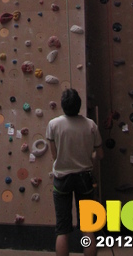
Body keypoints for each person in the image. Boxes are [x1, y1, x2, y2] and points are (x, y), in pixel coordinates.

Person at [46, 88, 104, 256]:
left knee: (62, 229)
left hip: (62, 178)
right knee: (87, 228)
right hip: (84, 178)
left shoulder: (53, 124)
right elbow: (100, 154)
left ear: (63, 106)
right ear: (79, 106)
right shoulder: (90, 125)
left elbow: (54, 155)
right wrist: (88, 155)